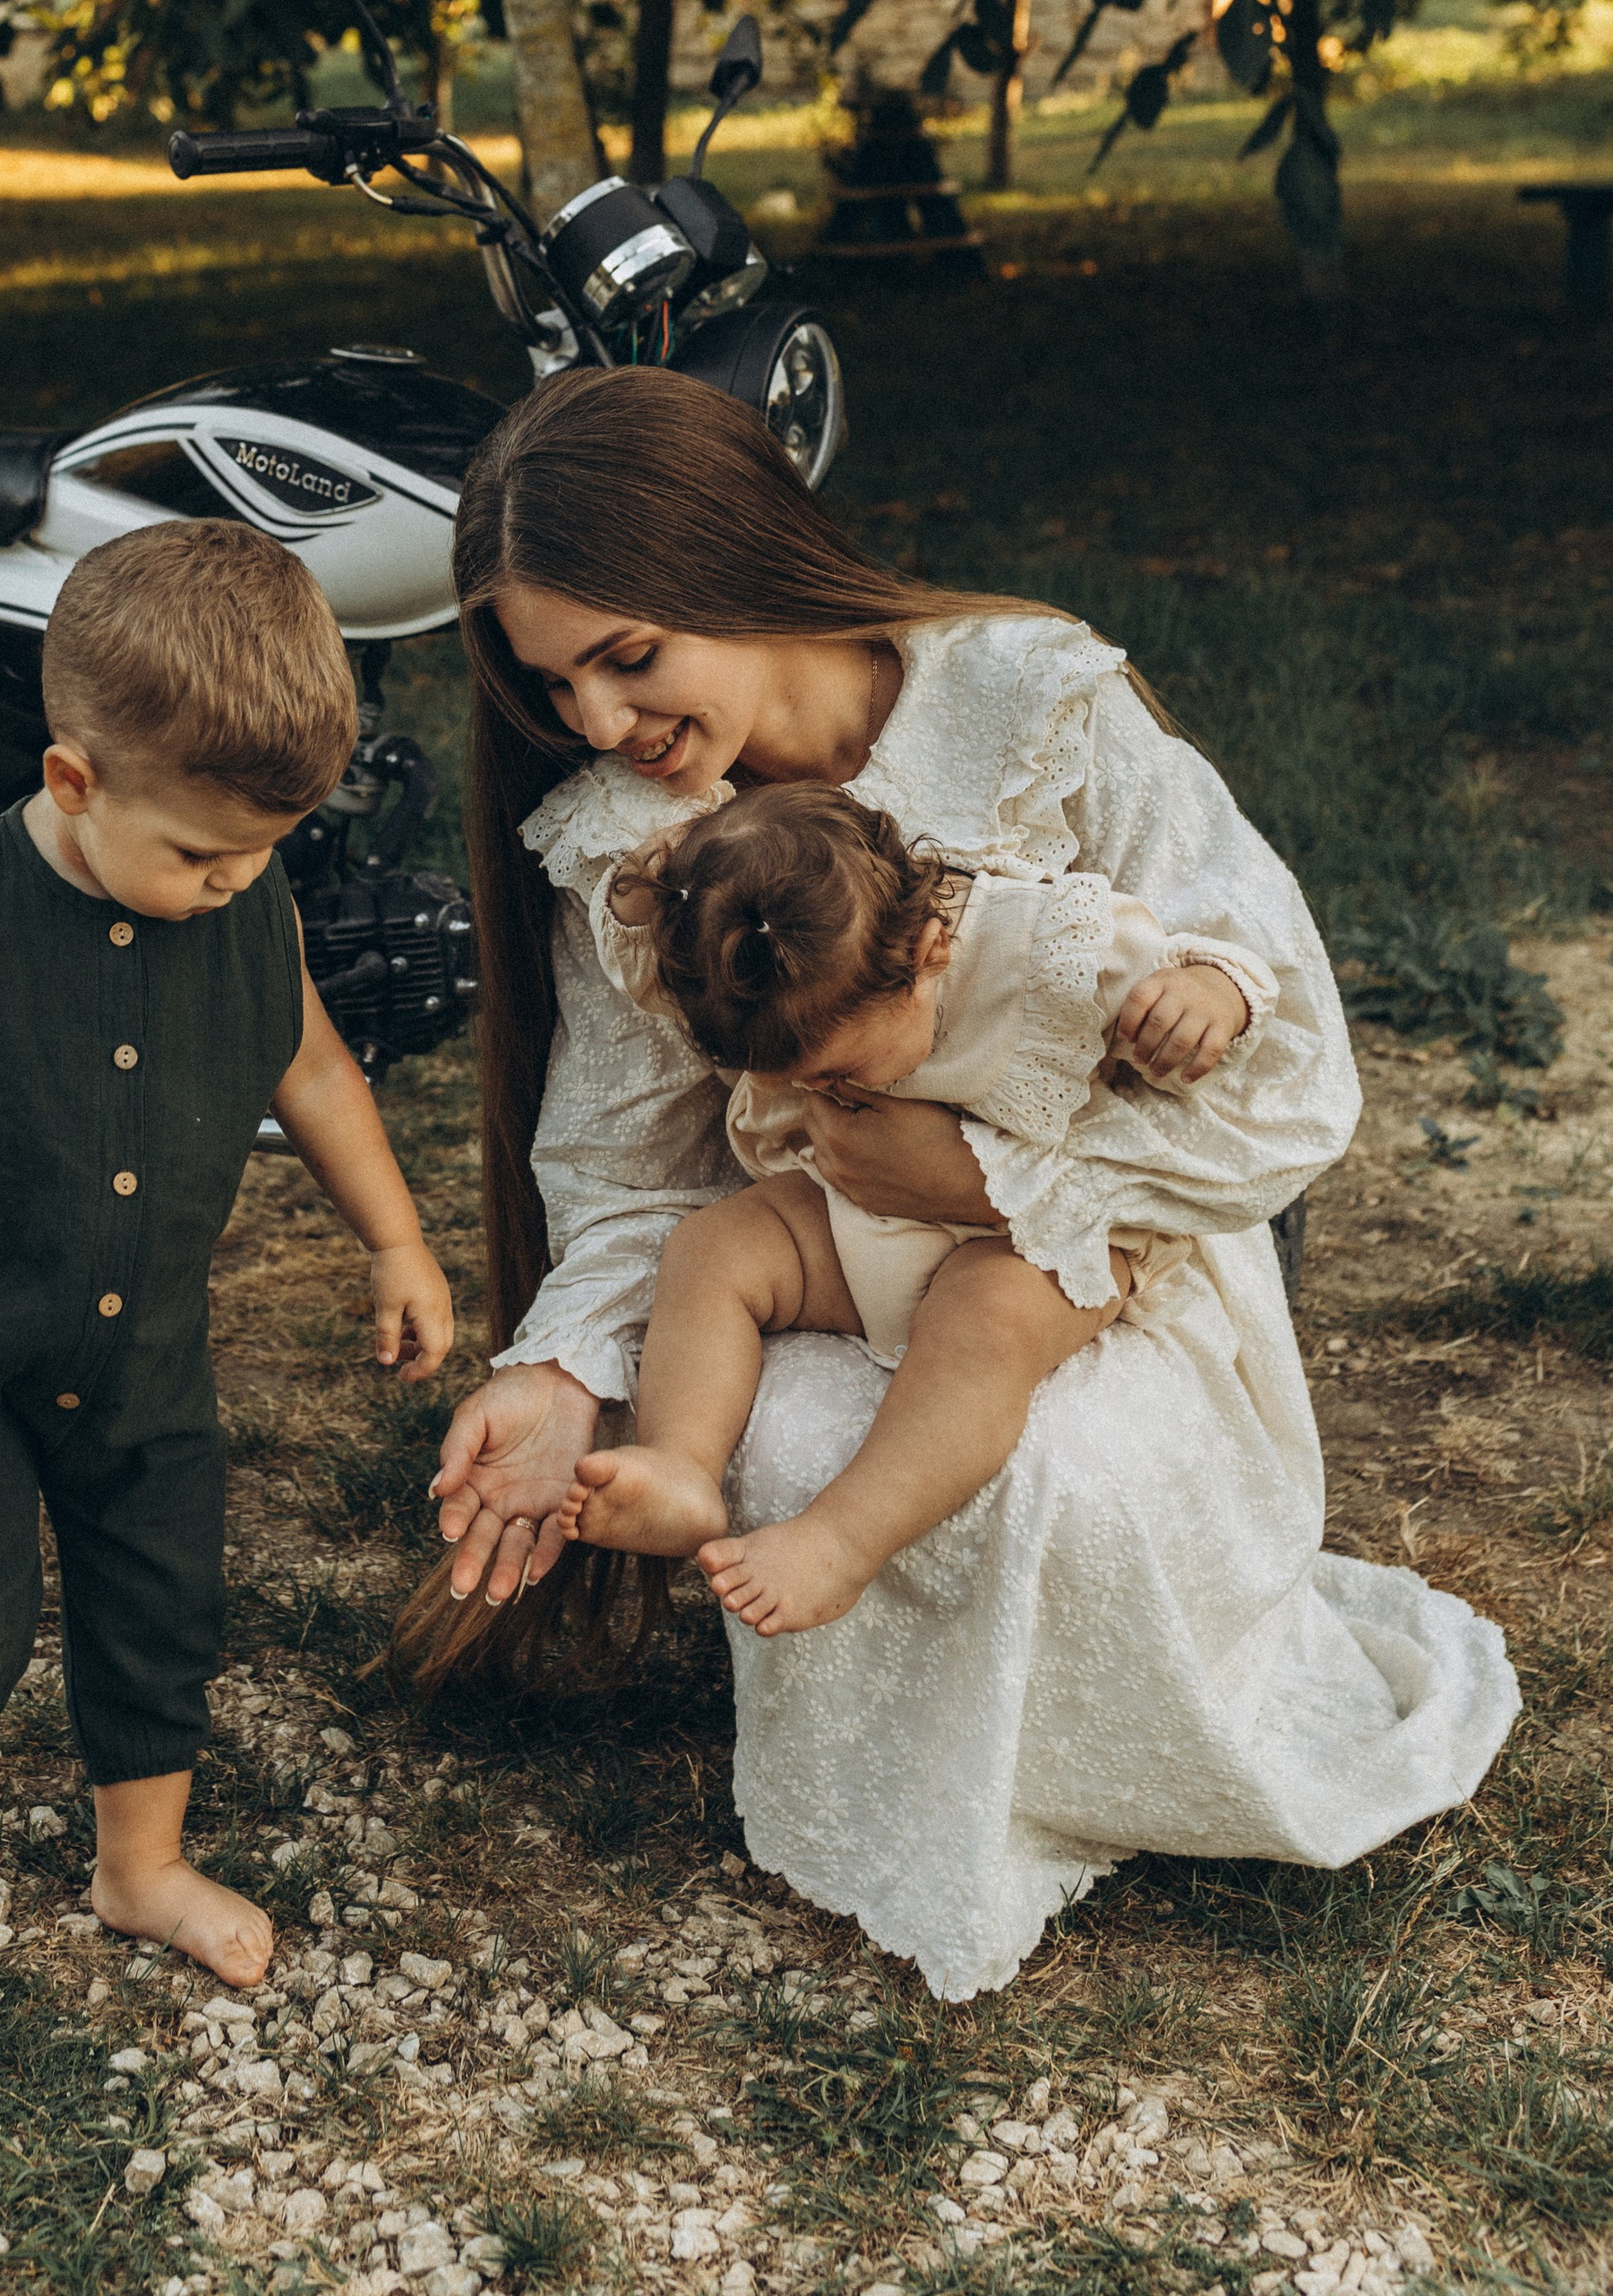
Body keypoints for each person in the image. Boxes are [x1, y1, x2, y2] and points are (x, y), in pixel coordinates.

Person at [423, 367, 1517, 2001]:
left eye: (627, 657)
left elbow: (1290, 1084)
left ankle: (1113, 1770)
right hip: (832, 1254)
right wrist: (564, 1369)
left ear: (735, 561)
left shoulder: (1028, 706)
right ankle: (904, 1793)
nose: (594, 722)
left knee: (1057, 1467)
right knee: (791, 1437)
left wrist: (978, 1172)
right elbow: (627, 1171)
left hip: (1104, 1254)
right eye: (553, 683)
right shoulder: (628, 841)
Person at [0, 518, 453, 2026]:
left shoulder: (248, 901)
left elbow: (314, 1068)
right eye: (202, 854)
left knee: (160, 1606)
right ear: (76, 782)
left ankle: (139, 1867)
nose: (237, 880)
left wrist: (397, 1239)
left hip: (141, 1361)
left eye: (263, 852)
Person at [559, 782, 1274, 1635]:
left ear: (930, 952)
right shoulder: (766, 978)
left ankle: (843, 1539)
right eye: (802, 1083)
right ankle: (681, 1464)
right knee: (712, 1247)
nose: (829, 1092)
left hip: (1029, 1237)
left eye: (840, 1069)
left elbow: (1214, 974)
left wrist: (1215, 993)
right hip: (859, 1210)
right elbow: (650, 977)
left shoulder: (1043, 949)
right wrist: (642, 905)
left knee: (988, 1318)